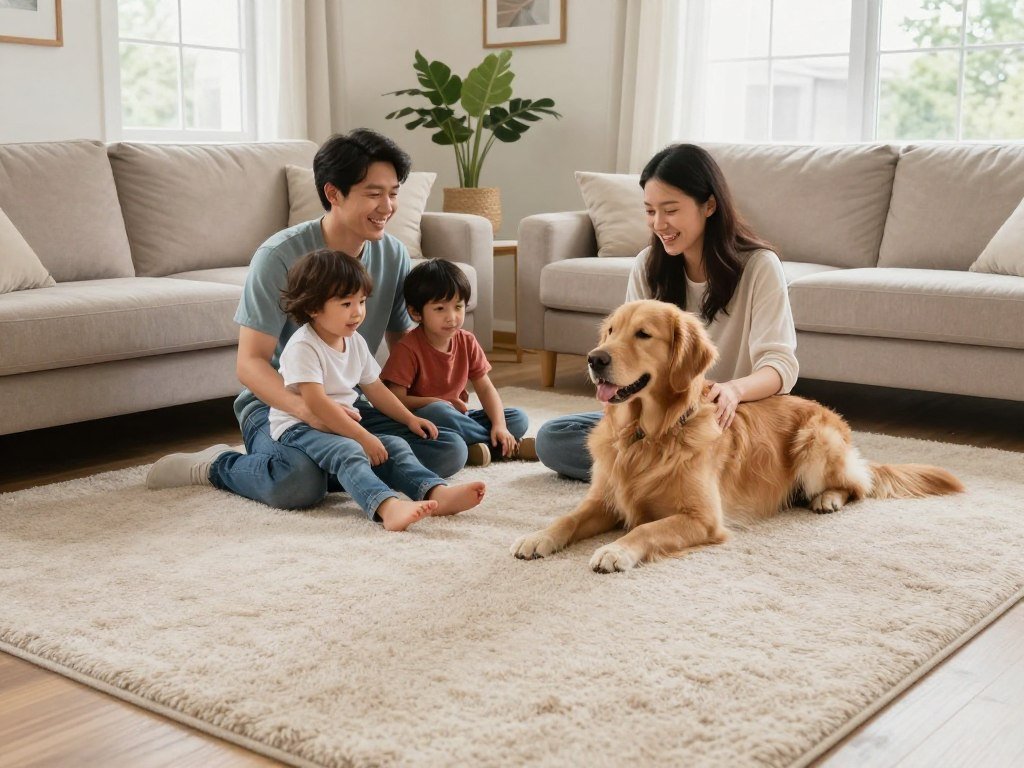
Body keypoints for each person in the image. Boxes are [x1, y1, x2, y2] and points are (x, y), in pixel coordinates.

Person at [146, 129, 468, 507]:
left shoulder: (393, 254)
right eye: (373, 193)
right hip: (280, 408)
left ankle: (337, 465)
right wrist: (308, 411)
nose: (387, 207)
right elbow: (249, 364)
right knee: (297, 485)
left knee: (447, 447)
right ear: (333, 193)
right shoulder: (279, 256)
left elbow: (405, 350)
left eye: (394, 193)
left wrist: (432, 401)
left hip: (350, 401)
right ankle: (218, 465)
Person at [536, 143, 798, 481]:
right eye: (649, 211)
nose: (659, 224)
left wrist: (734, 390)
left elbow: (780, 367)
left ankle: (655, 478)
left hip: (722, 421)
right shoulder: (647, 264)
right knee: (552, 437)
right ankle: (666, 478)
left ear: (709, 206)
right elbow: (625, 353)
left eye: (670, 210)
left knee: (629, 454)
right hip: (654, 418)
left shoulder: (760, 266)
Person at [269, 250, 485, 530]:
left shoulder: (354, 340)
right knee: (350, 449)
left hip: (343, 419)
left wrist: (409, 418)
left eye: (361, 301)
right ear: (313, 308)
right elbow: (317, 405)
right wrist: (363, 437)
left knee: (395, 444)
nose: (358, 311)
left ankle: (435, 492)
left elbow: (376, 389)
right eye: (346, 303)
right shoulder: (303, 346)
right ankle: (386, 506)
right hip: (301, 426)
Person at [380, 258, 538, 468]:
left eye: (458, 307)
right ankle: (505, 447)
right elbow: (395, 399)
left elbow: (485, 388)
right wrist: (436, 402)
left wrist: (500, 425)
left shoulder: (467, 341)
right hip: (426, 420)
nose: (452, 317)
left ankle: (483, 444)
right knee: (439, 412)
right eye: (440, 309)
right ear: (415, 312)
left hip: (461, 417)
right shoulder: (407, 348)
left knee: (518, 417)